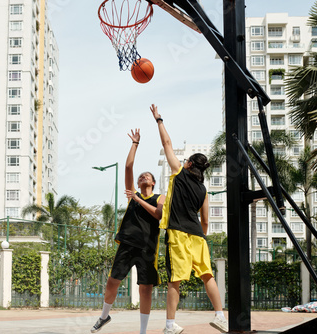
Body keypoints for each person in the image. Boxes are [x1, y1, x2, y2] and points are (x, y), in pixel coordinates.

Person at [150, 104, 228, 334]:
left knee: (176, 279)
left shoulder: (179, 173)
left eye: (186, 160)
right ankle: (220, 316)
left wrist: (159, 120)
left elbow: (166, 145)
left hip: (178, 232)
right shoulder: (203, 190)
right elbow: (205, 221)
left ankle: (169, 325)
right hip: (198, 235)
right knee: (207, 275)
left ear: (189, 164)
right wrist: (200, 233)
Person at [91, 129, 165, 334]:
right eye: (141, 176)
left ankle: (142, 331)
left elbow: (158, 215)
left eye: (147, 176)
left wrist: (137, 198)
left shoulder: (159, 197)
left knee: (145, 289)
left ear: (152, 183)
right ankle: (104, 316)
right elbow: (128, 166)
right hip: (127, 244)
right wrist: (135, 144)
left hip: (147, 248)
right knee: (112, 282)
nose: (142, 176)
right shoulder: (132, 193)